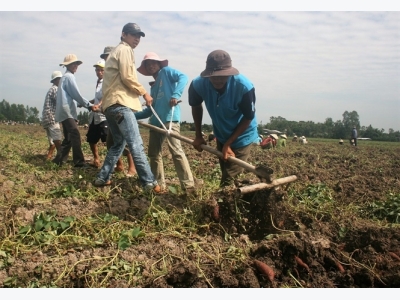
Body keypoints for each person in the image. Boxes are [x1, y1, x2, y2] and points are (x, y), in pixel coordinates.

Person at [94, 22, 161, 193]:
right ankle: (149, 182)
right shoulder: (124, 50)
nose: (137, 39)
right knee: (136, 144)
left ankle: (103, 177)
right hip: (121, 105)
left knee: (118, 144)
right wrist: (144, 93)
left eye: (139, 36)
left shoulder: (116, 52)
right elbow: (127, 77)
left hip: (111, 107)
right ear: (124, 35)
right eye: (133, 35)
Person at [189, 50, 258, 187]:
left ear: (230, 72)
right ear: (208, 74)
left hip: (242, 135)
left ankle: (224, 204)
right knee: (226, 169)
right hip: (221, 134)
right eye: (214, 76)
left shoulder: (244, 87)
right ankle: (234, 200)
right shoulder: (198, 85)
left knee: (229, 179)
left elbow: (248, 117)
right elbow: (196, 106)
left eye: (223, 76)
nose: (218, 79)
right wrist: (198, 135)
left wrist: (229, 143)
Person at [135, 52, 195, 192]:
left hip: (170, 118)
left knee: (176, 150)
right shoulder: (153, 88)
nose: (151, 66)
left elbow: (183, 77)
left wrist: (176, 95)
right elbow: (150, 111)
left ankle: (188, 186)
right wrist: (133, 116)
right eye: (148, 64)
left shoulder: (167, 72)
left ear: (159, 64)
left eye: (153, 63)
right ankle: (159, 185)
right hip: (155, 122)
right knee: (154, 154)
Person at [53, 54, 98, 167]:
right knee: (75, 134)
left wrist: (80, 104)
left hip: (64, 110)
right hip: (66, 111)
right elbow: (76, 94)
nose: (75, 66)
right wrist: (89, 105)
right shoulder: (69, 77)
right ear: (67, 65)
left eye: (76, 64)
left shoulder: (65, 77)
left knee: (68, 138)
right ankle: (79, 162)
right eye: (73, 64)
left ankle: (59, 161)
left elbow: (70, 96)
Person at [101, 46, 136, 176]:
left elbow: (127, 84)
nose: (106, 59)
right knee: (111, 141)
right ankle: (119, 165)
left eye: (108, 56)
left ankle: (132, 167)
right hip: (111, 110)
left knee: (125, 140)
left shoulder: (120, 70)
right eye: (105, 57)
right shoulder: (107, 74)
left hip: (121, 108)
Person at [86, 59, 108, 168]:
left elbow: (106, 96)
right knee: (91, 139)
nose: (99, 72)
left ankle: (119, 164)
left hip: (104, 116)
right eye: (97, 70)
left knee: (109, 140)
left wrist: (98, 105)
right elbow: (96, 99)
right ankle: (96, 159)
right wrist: (86, 103)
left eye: (101, 70)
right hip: (95, 116)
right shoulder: (98, 83)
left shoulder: (108, 82)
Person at [41, 71, 63, 160]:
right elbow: (60, 102)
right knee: (57, 138)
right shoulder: (55, 89)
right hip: (52, 117)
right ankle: (61, 157)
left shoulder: (51, 89)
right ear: (56, 80)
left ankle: (49, 156)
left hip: (46, 118)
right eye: (60, 79)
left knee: (52, 139)